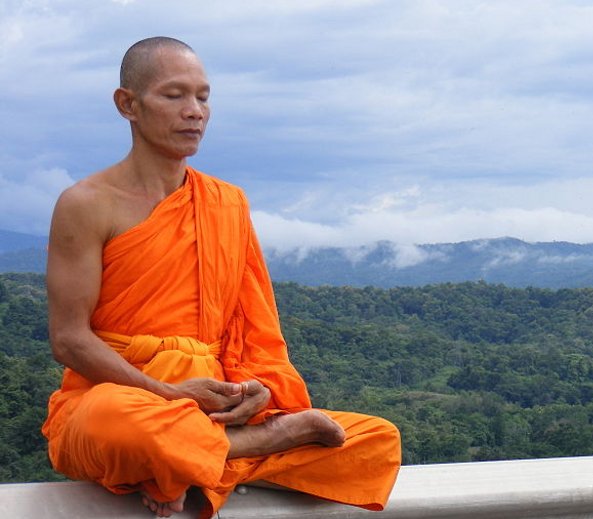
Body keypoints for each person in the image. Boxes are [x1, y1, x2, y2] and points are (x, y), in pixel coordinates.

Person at [41, 36, 401, 518]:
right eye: (174, 95)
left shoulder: (226, 203)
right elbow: (69, 340)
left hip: (211, 401)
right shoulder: (86, 204)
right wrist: (168, 393)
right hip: (120, 399)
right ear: (128, 104)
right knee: (121, 425)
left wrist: (257, 391)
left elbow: (251, 330)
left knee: (377, 439)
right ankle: (247, 446)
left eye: (203, 97)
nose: (195, 111)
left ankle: (186, 461)